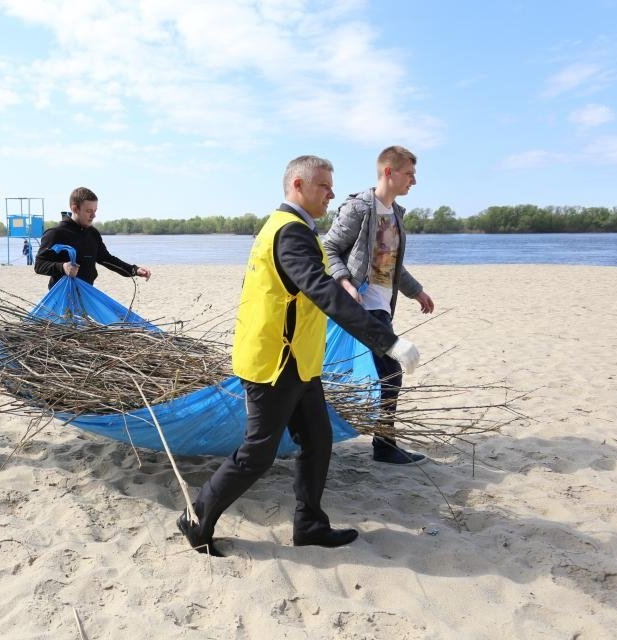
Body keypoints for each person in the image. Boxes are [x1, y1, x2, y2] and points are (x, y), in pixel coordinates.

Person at [176, 155, 421, 556]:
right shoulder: (289, 232)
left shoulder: (294, 228)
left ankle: (309, 525)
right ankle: (196, 517)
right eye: (323, 186)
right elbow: (323, 292)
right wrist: (387, 342)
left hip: (298, 363)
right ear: (297, 186)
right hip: (275, 364)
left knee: (318, 441)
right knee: (257, 454)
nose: (331, 194)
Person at [323, 146, 435, 465]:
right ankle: (384, 446)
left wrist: (417, 292)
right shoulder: (360, 207)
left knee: (377, 372)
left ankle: (370, 439)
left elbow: (391, 265)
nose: (414, 181)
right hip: (362, 305)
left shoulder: (396, 213)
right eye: (409, 174)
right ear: (388, 172)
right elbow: (329, 247)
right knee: (390, 371)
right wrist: (345, 283)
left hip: (383, 306)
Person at [34, 187, 151, 289]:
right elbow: (39, 265)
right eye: (89, 211)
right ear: (75, 209)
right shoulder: (55, 233)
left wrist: (134, 270)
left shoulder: (92, 233)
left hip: (87, 293)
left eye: (95, 211)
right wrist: (62, 267)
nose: (94, 215)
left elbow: (106, 259)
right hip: (62, 296)